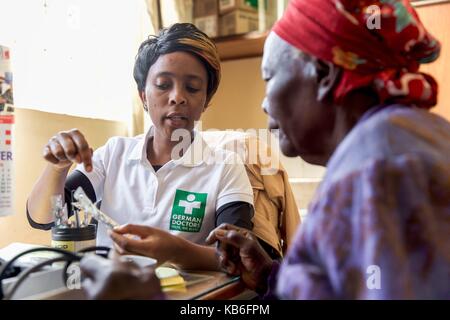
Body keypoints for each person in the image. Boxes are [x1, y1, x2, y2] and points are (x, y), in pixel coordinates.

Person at [79, 0, 450, 299]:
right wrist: (270, 277)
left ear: (324, 77)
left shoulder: (383, 168)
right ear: (144, 96)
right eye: (163, 85)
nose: (264, 104)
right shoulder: (393, 144)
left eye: (270, 79)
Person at [26, 23, 255, 271]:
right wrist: (57, 169)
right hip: (108, 289)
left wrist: (175, 251)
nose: (177, 97)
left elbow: (236, 256)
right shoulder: (114, 154)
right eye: (163, 84)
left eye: (192, 87)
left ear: (206, 100)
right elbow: (43, 219)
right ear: (143, 96)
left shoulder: (226, 167)